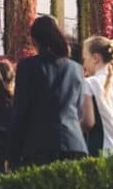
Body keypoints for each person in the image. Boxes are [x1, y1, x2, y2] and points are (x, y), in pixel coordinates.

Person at [9, 15, 88, 167]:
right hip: (74, 145)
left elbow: (20, 112)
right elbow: (78, 112)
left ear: (34, 40)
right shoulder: (76, 69)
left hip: (40, 147)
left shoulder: (27, 66)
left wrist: (13, 155)